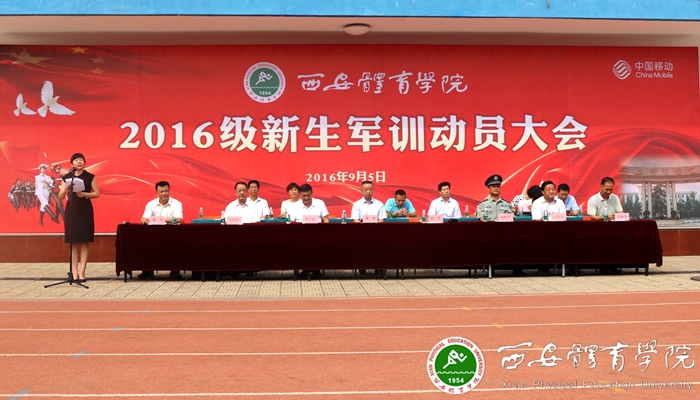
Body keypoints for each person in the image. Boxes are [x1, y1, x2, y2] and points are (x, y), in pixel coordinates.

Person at [58, 153, 100, 282]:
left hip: (85, 210)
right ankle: (74, 272)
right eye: (76, 160)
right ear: (72, 164)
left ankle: (82, 273)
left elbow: (97, 193)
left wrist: (85, 194)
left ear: (84, 162)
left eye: (81, 160)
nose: (79, 162)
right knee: (73, 242)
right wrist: (64, 190)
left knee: (84, 241)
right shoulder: (67, 177)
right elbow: (60, 197)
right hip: (72, 211)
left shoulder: (89, 177)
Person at [138, 181, 184, 280]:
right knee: (144, 243)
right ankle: (147, 271)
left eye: (166, 191)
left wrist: (160, 219)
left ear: (169, 191)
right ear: (157, 193)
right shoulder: (151, 204)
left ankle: (175, 272)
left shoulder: (177, 203)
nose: (164, 193)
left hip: (172, 235)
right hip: (154, 235)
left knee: (176, 244)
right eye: (161, 191)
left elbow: (179, 220)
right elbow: (144, 218)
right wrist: (145, 219)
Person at [289, 183, 329, 279]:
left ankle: (314, 269)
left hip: (318, 235)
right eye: (303, 196)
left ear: (312, 193)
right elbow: (291, 222)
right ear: (300, 194)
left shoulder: (320, 203)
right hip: (300, 235)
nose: (306, 198)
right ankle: (307, 269)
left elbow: (326, 220)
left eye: (308, 195)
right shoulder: (295, 206)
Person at [351, 181, 386, 275]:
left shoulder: (379, 204)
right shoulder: (357, 204)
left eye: (370, 190)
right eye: (365, 190)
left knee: (378, 246)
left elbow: (381, 220)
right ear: (361, 190)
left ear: (373, 190)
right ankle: (362, 266)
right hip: (361, 232)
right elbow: (355, 220)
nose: (368, 192)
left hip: (376, 232)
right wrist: (364, 228)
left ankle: (378, 267)